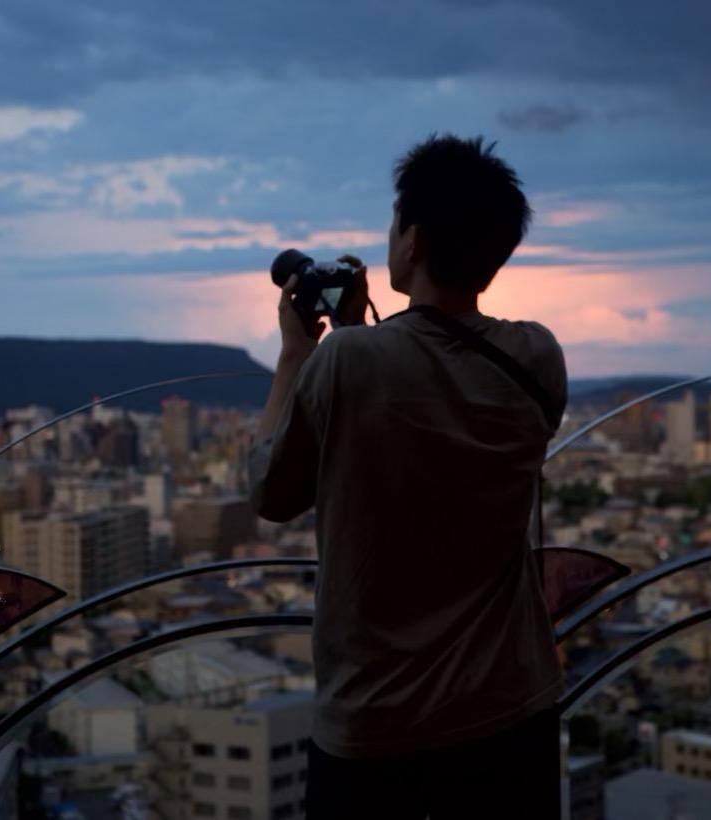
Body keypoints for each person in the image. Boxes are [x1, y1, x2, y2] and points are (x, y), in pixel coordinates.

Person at [249, 134, 568, 819]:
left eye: (396, 223)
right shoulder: (538, 356)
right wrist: (368, 328)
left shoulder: (347, 363)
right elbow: (439, 366)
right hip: (513, 708)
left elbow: (270, 491)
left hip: (377, 724)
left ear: (413, 239)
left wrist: (294, 355)